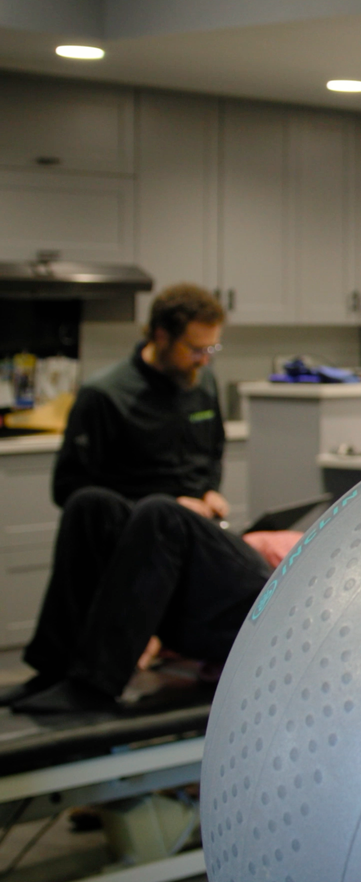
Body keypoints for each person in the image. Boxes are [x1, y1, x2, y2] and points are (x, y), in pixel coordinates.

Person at [6, 284, 299, 715]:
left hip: (224, 578)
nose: (204, 359)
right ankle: (54, 669)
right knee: (93, 506)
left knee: (162, 514)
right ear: (160, 336)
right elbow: (67, 488)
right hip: (150, 542)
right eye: (196, 349)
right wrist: (173, 502)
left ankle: (96, 684)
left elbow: (210, 455)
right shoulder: (106, 395)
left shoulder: (202, 384)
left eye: (211, 348)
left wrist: (207, 493)